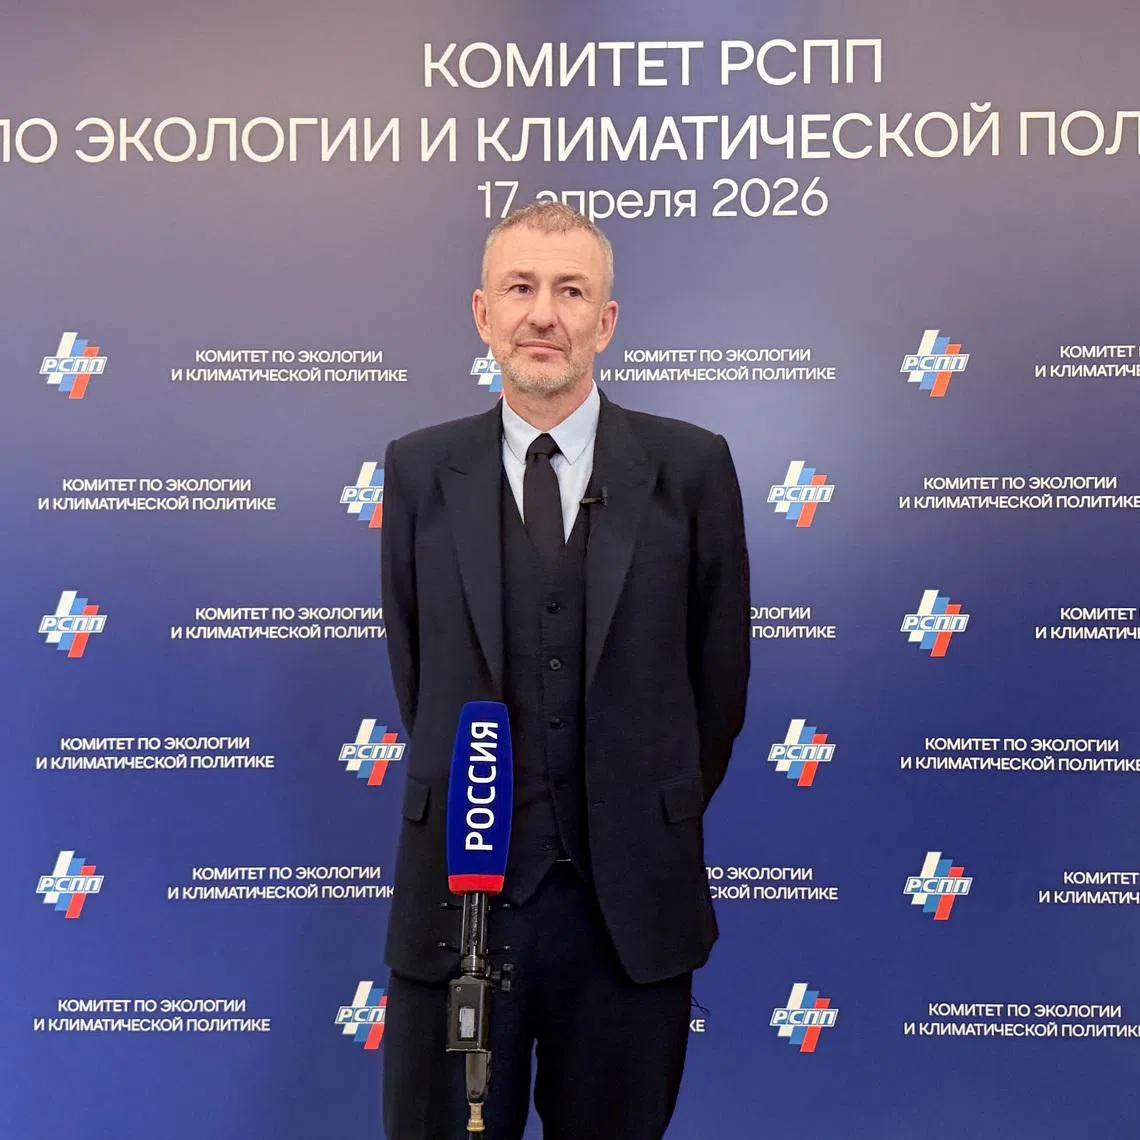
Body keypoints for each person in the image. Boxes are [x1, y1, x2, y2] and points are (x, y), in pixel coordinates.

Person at [379, 202, 750, 1139]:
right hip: (460, 906)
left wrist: (633, 807)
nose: (543, 313)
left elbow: (716, 692)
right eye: (521, 288)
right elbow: (417, 676)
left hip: (630, 915)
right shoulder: (420, 470)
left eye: (571, 291)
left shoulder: (690, 468)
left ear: (606, 321)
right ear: (484, 313)